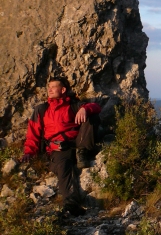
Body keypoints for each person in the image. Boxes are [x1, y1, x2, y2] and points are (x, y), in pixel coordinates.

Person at [21, 77, 101, 216]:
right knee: (64, 167)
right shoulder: (42, 109)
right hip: (59, 149)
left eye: (53, 87)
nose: (49, 89)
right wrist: (29, 152)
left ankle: (82, 152)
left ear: (63, 90)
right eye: (49, 87)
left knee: (92, 116)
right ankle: (71, 206)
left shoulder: (73, 105)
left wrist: (84, 109)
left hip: (77, 144)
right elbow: (33, 133)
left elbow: (96, 107)